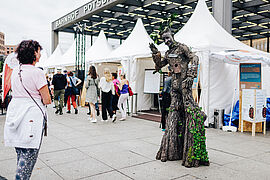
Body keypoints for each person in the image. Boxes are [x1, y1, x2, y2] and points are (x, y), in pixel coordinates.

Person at [150, 27, 209, 167]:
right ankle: (170, 149)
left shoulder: (182, 48)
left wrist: (191, 76)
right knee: (173, 115)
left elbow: (195, 57)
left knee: (190, 111)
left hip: (185, 85)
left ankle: (191, 151)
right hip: (175, 87)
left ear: (172, 35)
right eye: (163, 39)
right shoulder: (168, 52)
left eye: (167, 38)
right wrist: (155, 54)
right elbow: (159, 66)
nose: (166, 41)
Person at [4, 40, 51, 179]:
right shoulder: (37, 73)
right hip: (32, 117)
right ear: (34, 53)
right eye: (39, 51)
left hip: (16, 114)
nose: (40, 54)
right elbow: (47, 99)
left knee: (20, 153)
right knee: (29, 157)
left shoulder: (15, 71)